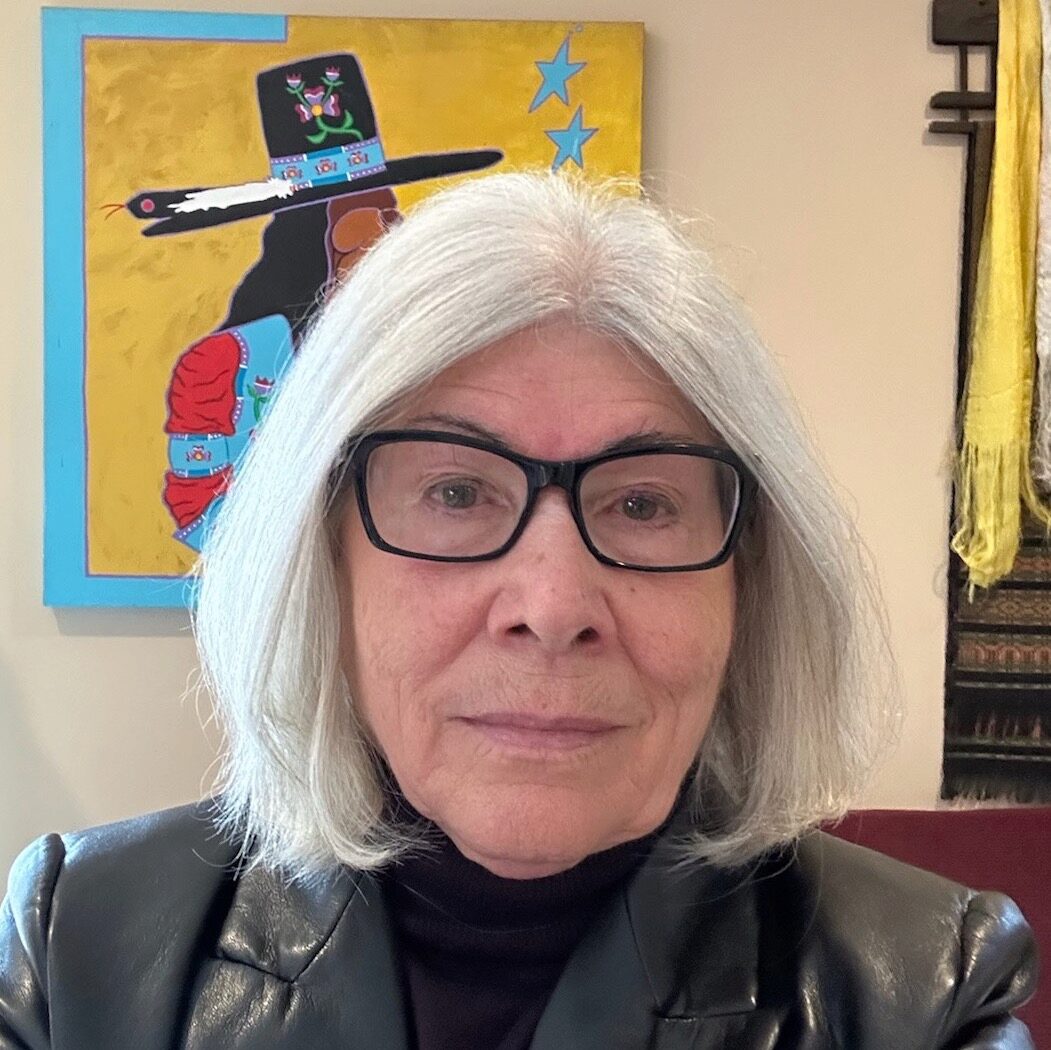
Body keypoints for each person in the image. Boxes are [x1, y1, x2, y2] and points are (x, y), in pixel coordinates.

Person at [1, 172, 1038, 1049]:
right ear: (322, 560)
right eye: (455, 492)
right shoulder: (75, 948)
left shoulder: (925, 995)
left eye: (643, 504)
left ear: (749, 587)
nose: (551, 606)